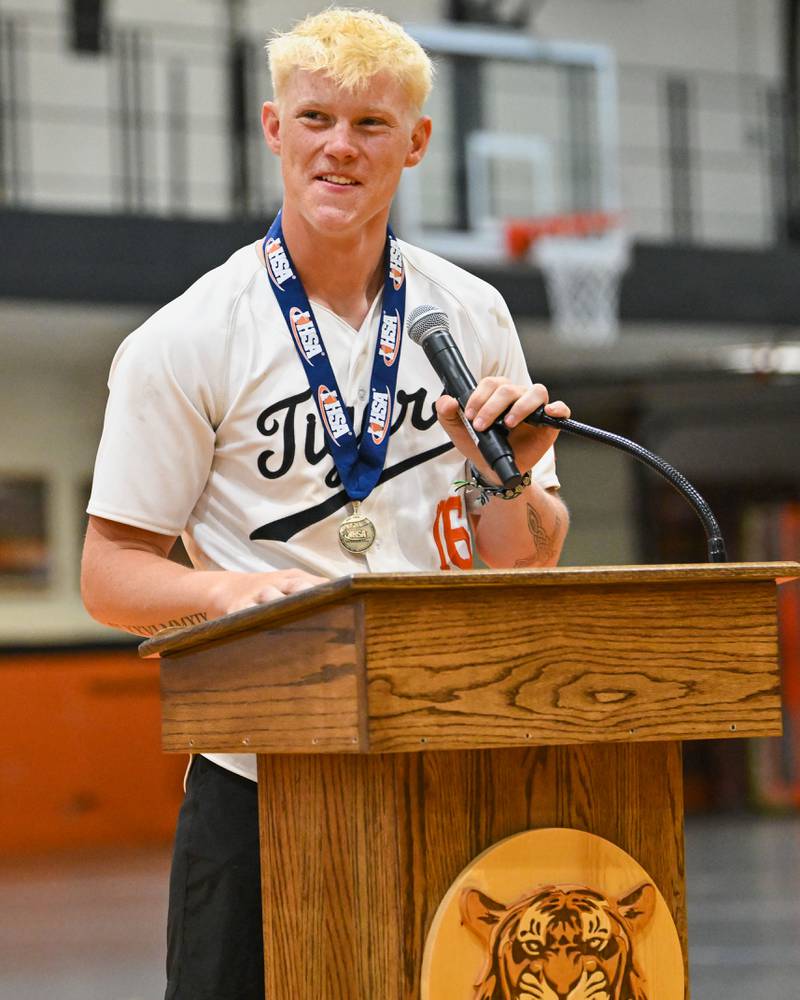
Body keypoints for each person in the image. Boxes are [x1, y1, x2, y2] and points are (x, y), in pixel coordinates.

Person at [81, 8, 570, 999]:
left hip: (445, 752)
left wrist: (505, 477)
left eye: (370, 125)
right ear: (273, 129)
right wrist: (228, 596)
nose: (339, 146)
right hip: (259, 776)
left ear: (417, 142)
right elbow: (108, 571)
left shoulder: (469, 315)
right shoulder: (188, 337)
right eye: (314, 118)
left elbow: (523, 556)